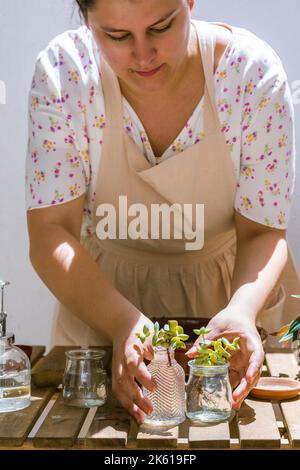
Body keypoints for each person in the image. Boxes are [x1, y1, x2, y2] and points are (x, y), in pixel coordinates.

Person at [26, 0, 299, 425]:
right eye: (116, 36)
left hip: (231, 296)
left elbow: (263, 233)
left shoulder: (251, 75)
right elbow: (50, 233)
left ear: (189, 2)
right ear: (86, 19)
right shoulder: (66, 74)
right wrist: (121, 323)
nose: (143, 54)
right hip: (100, 304)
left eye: (161, 27)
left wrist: (243, 311)